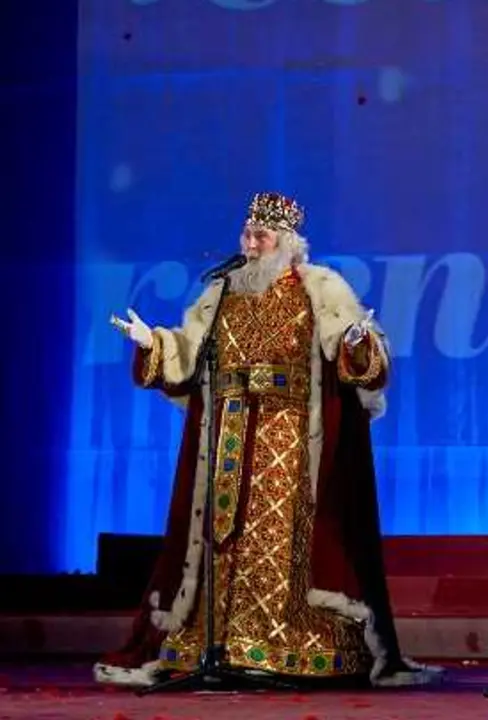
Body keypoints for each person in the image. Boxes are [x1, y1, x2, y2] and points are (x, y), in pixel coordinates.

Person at [94, 192, 438, 688]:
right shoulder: (222, 293)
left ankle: (286, 648)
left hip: (294, 437)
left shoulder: (321, 290)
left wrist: (359, 346)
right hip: (228, 434)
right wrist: (157, 344)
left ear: (288, 243)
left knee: (286, 544)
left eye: (262, 236)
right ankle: (220, 646)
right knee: (223, 539)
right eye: (247, 234)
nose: (252, 244)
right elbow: (190, 355)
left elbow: (357, 354)